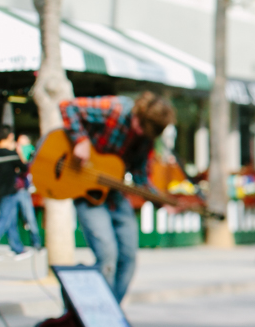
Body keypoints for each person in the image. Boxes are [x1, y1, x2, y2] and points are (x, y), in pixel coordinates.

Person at [59, 92, 176, 301]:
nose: (140, 132)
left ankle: (109, 316)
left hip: (114, 194)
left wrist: (162, 201)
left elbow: (141, 178)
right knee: (107, 257)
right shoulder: (114, 108)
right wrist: (81, 140)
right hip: (87, 191)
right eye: (140, 126)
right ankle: (94, 316)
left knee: (128, 259)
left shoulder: (145, 136)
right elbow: (68, 106)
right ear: (138, 113)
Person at [0, 127, 41, 259]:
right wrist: (18, 151)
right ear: (9, 137)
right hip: (9, 191)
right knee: (5, 220)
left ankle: (17, 248)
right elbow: (24, 167)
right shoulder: (10, 154)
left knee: (10, 220)